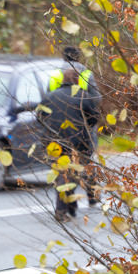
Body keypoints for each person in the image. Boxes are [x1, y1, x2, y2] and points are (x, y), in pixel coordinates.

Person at [40, 49, 102, 219]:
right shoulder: (85, 76)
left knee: (61, 170)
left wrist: (48, 128)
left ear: (63, 56)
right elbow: (96, 104)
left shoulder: (53, 77)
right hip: (78, 135)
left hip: (53, 137)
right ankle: (91, 198)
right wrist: (86, 126)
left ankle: (71, 205)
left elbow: (42, 113)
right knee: (82, 166)